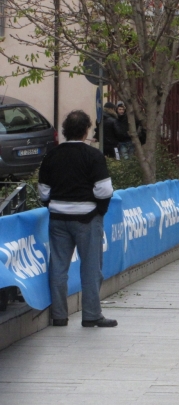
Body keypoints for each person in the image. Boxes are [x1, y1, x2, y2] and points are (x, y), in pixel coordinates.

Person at [38, 110, 117, 328]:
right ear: (85, 131)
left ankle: (59, 316)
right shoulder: (93, 156)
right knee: (90, 268)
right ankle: (91, 315)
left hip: (58, 219)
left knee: (58, 268)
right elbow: (104, 190)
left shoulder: (51, 155)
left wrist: (54, 206)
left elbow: (44, 192)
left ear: (64, 131)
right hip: (87, 219)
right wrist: (99, 211)